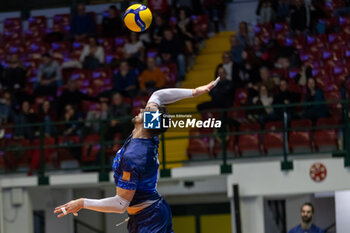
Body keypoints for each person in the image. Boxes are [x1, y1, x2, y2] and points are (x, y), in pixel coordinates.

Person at [54, 80, 216, 233]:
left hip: (150, 217)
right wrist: (194, 92)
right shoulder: (148, 134)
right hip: (145, 214)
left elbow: (120, 204)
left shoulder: (135, 156)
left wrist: (82, 203)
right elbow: (158, 96)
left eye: (146, 111)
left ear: (148, 123)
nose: (142, 109)